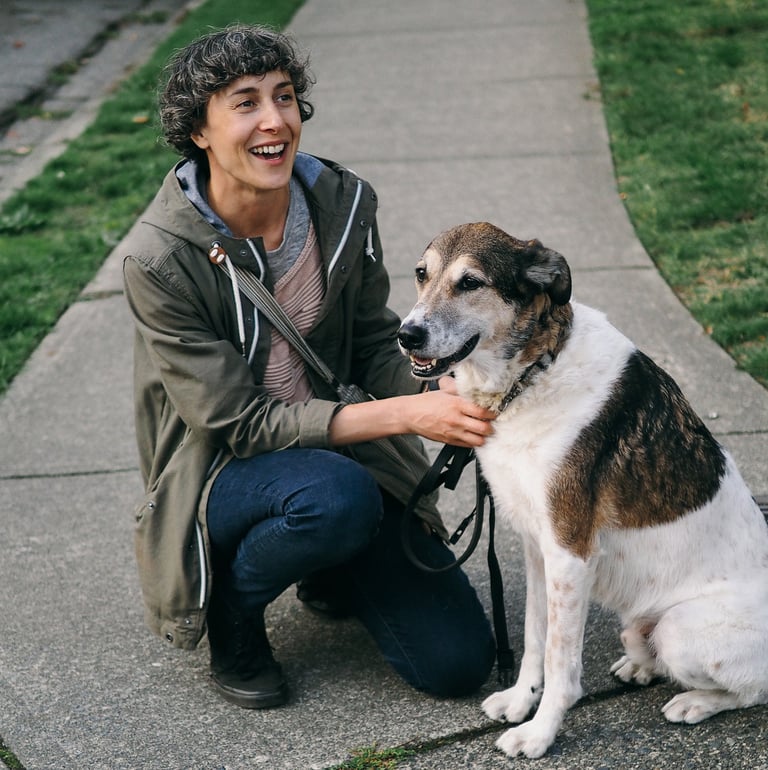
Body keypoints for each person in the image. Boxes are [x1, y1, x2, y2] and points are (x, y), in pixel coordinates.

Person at [122, 24, 497, 710]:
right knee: (334, 497)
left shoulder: (344, 204)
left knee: (459, 665)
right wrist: (409, 413)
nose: (274, 121)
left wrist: (444, 384)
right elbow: (241, 422)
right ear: (199, 131)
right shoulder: (159, 259)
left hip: (340, 449)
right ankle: (234, 612)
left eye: (285, 96)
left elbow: (373, 343)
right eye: (245, 103)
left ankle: (330, 564)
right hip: (221, 469)